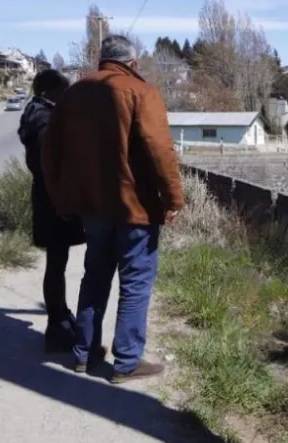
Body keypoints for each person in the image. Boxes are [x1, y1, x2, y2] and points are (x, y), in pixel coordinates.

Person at [41, 35, 184, 384]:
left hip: (92, 208)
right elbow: (159, 149)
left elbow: (50, 152)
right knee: (135, 281)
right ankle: (127, 362)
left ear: (103, 59)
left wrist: (62, 198)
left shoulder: (73, 94)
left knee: (95, 276)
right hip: (135, 207)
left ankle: (83, 354)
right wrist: (173, 198)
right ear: (133, 63)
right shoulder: (140, 91)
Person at [17, 69, 86, 352]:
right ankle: (56, 325)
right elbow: (50, 161)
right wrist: (63, 199)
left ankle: (60, 314)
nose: (66, 96)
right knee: (56, 263)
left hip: (48, 195)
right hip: (52, 198)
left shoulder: (37, 112)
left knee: (57, 262)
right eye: (63, 91)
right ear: (48, 93)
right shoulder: (44, 118)